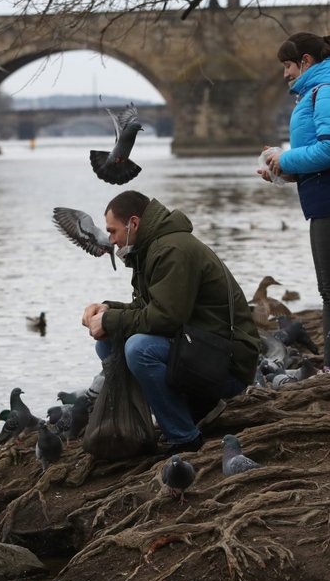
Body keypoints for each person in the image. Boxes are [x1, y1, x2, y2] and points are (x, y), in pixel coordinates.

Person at [82, 190, 260, 455]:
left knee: (139, 349)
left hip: (228, 363)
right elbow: (149, 308)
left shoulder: (172, 249)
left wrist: (110, 319)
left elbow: (164, 319)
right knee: (108, 344)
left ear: (133, 223)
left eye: (113, 231)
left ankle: (185, 437)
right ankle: (188, 411)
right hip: (201, 350)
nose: (111, 240)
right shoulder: (150, 248)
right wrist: (107, 309)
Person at [258, 32, 330, 371]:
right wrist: (281, 170)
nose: (285, 74)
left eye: (288, 65)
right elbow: (320, 157)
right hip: (326, 197)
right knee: (328, 288)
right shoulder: (314, 93)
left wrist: (286, 157)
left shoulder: (327, 93)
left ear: (306, 62)